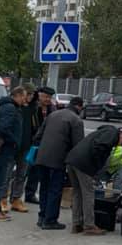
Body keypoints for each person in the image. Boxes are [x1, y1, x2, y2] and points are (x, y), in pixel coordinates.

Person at [33, 96, 84, 230]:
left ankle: (42, 217)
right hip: (58, 160)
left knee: (44, 187)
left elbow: (38, 136)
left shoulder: (52, 115)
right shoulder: (76, 120)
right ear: (79, 107)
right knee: (55, 190)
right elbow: (78, 146)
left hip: (41, 157)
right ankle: (50, 220)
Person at [66, 124, 122, 235]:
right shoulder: (113, 133)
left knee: (77, 192)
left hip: (72, 160)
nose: (120, 143)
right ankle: (89, 225)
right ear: (121, 135)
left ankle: (77, 224)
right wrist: (95, 166)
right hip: (84, 164)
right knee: (88, 193)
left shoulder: (99, 133)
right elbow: (99, 147)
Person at [0, 86, 27, 221]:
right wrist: (14, 141)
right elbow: (4, 128)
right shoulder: (10, 108)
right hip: (4, 148)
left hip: (3, 147)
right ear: (18, 95)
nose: (24, 100)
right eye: (24, 97)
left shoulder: (5, 106)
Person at [3, 83, 36, 214]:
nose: (30, 97)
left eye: (32, 95)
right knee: (6, 174)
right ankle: (3, 199)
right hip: (13, 146)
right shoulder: (14, 108)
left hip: (26, 146)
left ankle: (16, 199)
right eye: (28, 95)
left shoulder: (32, 108)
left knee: (21, 175)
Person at [24, 86, 56, 204]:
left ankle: (30, 194)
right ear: (39, 96)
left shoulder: (52, 109)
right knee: (24, 169)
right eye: (45, 97)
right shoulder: (32, 107)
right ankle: (13, 194)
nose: (48, 99)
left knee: (36, 170)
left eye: (50, 97)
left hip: (44, 143)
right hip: (30, 142)